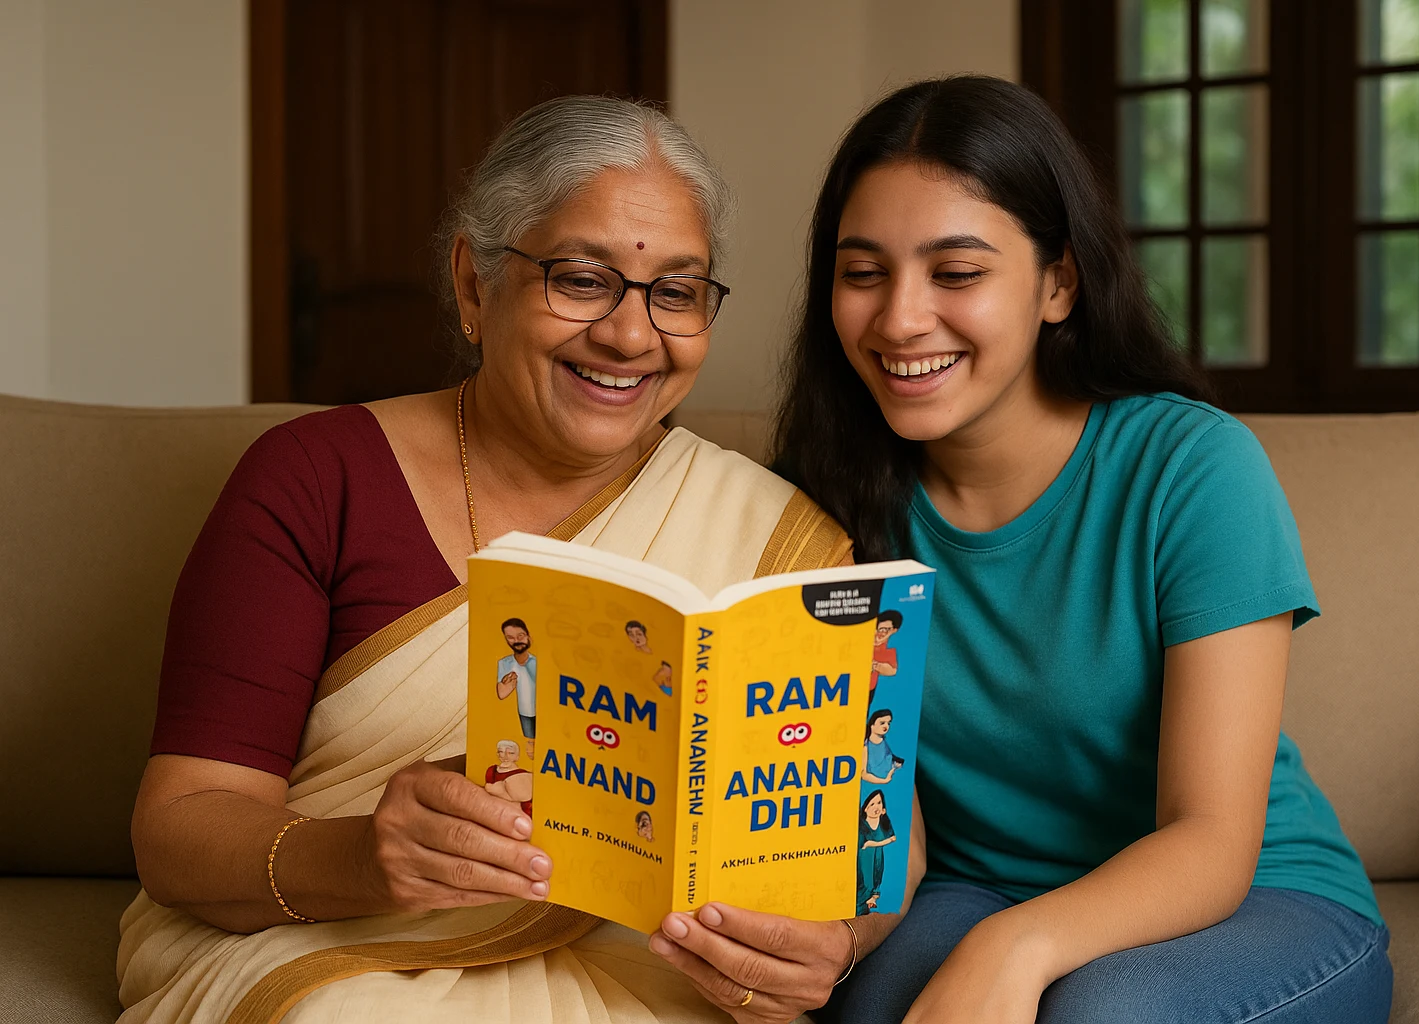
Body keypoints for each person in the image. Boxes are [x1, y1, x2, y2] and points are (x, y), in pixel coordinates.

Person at [123, 96, 890, 1024]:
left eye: (676, 292)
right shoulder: (316, 479)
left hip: (651, 971)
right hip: (338, 952)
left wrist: (839, 942)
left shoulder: (773, 531)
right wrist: (365, 857)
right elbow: (179, 826)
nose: (630, 335)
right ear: (473, 286)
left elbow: (883, 825)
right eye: (582, 279)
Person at [775, 77, 1389, 1023]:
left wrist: (1014, 946)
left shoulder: (1193, 467)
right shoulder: (825, 504)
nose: (899, 318)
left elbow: (1212, 839)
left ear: (1058, 282)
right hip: (974, 887)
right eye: (863, 273)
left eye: (956, 272)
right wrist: (836, 943)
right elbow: (885, 819)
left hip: (1251, 897)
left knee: (1102, 1014)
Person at [495, 617, 538, 742]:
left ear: (528, 635)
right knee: (530, 745)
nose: (516, 641)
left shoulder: (537, 662)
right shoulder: (504, 663)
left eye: (520, 636)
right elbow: (502, 694)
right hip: (525, 713)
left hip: (546, 712)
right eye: (510, 637)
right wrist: (507, 685)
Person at [855, 791, 897, 917]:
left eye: (879, 803)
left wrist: (873, 843)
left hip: (877, 861)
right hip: (864, 862)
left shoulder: (884, 823)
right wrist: (872, 844)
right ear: (865, 808)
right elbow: (862, 846)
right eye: (872, 804)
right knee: (864, 889)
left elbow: (893, 838)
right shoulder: (862, 825)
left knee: (873, 886)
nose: (876, 807)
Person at [484, 739, 533, 816]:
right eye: (501, 752)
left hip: (519, 815)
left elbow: (524, 797)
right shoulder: (492, 771)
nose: (506, 756)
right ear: (498, 754)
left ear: (517, 756)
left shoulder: (524, 774)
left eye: (511, 753)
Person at [861, 709, 903, 785]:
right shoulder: (866, 746)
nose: (886, 726)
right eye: (882, 723)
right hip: (877, 782)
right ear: (872, 725)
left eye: (888, 723)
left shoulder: (884, 741)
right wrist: (885, 781)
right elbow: (864, 774)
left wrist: (896, 765)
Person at [869, 610, 901, 697]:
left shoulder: (889, 649)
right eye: (879, 629)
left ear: (894, 630)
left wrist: (875, 665)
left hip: (868, 688)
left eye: (886, 630)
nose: (881, 633)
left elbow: (892, 671)